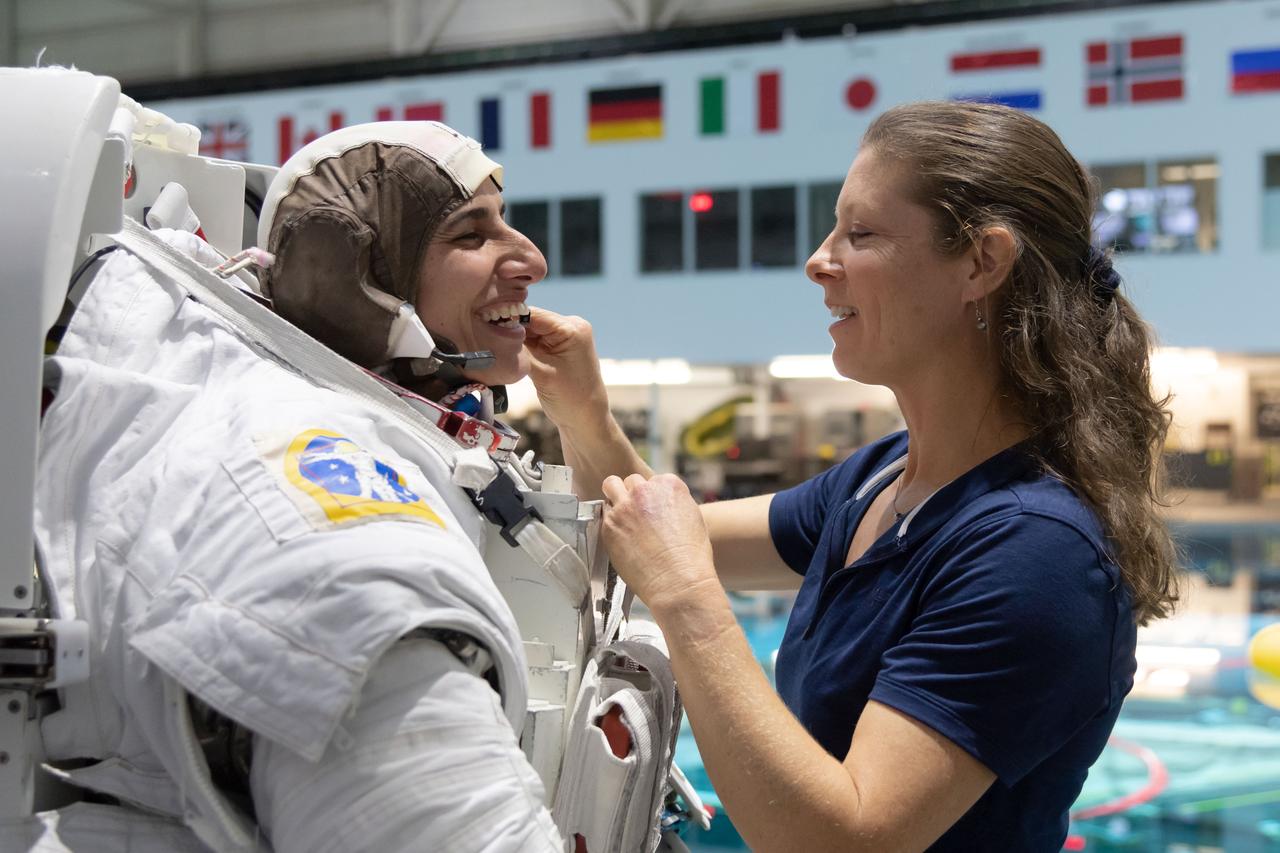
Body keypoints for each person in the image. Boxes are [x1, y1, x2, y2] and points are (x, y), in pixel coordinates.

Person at [525, 100, 1180, 851]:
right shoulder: (881, 479)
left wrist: (687, 597)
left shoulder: (1038, 553)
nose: (818, 259)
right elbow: (650, 532)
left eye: (859, 234)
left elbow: (849, 837)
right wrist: (582, 412)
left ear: (982, 262)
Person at [28, 121, 567, 852]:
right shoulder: (325, 505)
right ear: (362, 278)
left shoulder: (355, 426)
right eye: (471, 234)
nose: (529, 257)